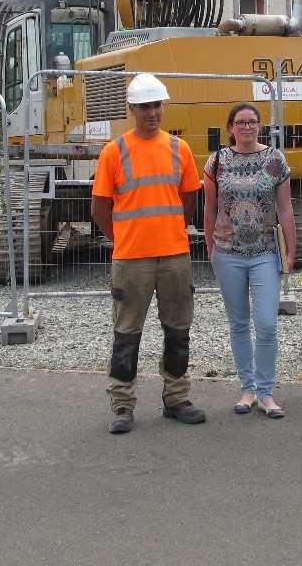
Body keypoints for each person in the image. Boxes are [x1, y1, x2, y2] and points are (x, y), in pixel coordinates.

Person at [91, 73, 206, 434]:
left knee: (178, 330)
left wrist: (171, 229)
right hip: (132, 259)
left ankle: (177, 398)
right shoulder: (114, 151)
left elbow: (189, 198)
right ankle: (122, 405)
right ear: (132, 109)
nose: (152, 113)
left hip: (174, 255)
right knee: (127, 334)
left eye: (157, 105)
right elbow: (99, 208)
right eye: (145, 106)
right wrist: (123, 238)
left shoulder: (179, 149)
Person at [204, 102, 296, 418]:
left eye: (252, 122)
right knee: (239, 323)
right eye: (240, 122)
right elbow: (210, 209)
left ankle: (266, 391)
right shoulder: (216, 161)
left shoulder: (274, 160)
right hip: (227, 253)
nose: (246, 127)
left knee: (268, 324)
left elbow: (285, 208)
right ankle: (248, 389)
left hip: (264, 252)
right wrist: (210, 246)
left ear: (259, 126)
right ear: (230, 127)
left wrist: (290, 250)